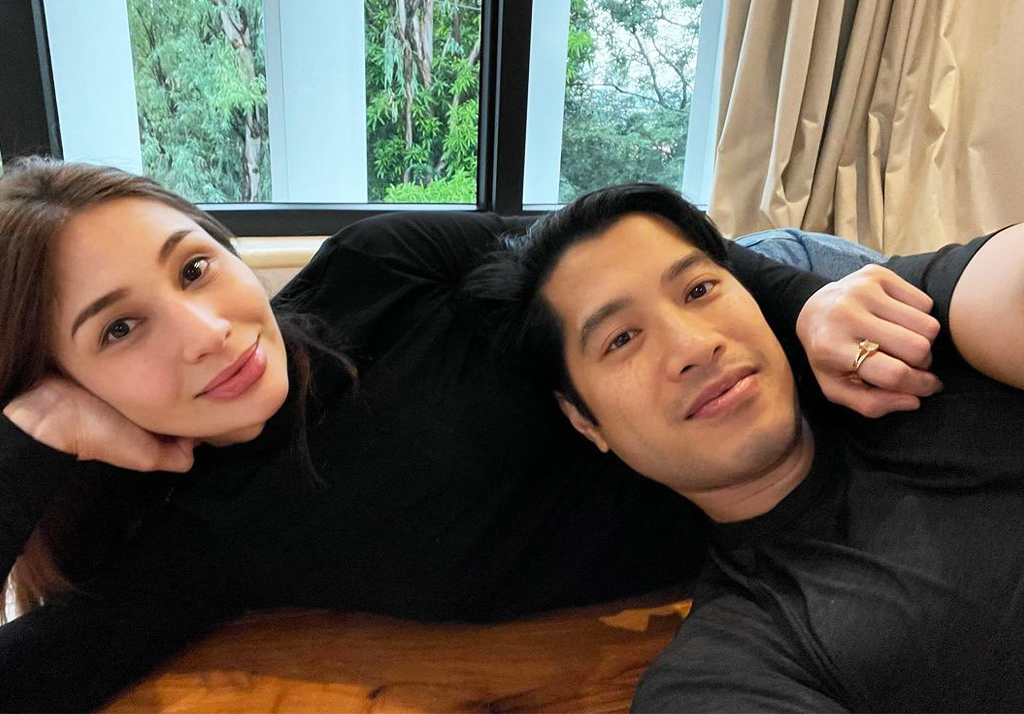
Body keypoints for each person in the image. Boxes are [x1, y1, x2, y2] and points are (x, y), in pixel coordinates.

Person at [0, 160, 935, 711]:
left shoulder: (377, 263)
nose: (207, 332)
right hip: (766, 509)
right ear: (56, 380)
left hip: (761, 293)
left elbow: (618, 256)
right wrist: (27, 442)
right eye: (118, 330)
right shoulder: (206, 547)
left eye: (195, 268)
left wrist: (809, 306)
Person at [481, 181, 1024, 711]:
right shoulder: (727, 669)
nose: (695, 347)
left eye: (699, 290)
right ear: (584, 421)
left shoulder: (901, 335)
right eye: (621, 339)